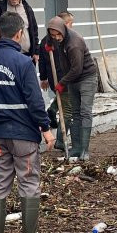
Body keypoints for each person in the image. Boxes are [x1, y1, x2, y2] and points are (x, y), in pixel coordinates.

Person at [0, 12, 55, 233]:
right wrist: (46, 128)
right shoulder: (24, 63)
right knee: (28, 181)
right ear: (19, 34)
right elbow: (35, 101)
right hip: (23, 136)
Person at [41, 16, 98, 160]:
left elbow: (77, 69)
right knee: (75, 113)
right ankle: (77, 148)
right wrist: (48, 44)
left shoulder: (74, 43)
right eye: (53, 35)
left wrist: (62, 82)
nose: (56, 38)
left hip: (86, 78)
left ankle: (84, 150)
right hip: (72, 79)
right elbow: (49, 38)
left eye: (57, 35)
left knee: (85, 112)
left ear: (63, 30)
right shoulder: (55, 36)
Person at [40, 11, 76, 148]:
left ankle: (52, 109)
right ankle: (61, 141)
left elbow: (42, 62)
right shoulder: (61, 40)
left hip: (56, 79)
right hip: (64, 79)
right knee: (67, 110)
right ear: (65, 24)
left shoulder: (46, 40)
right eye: (71, 24)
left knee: (63, 101)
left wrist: (44, 78)